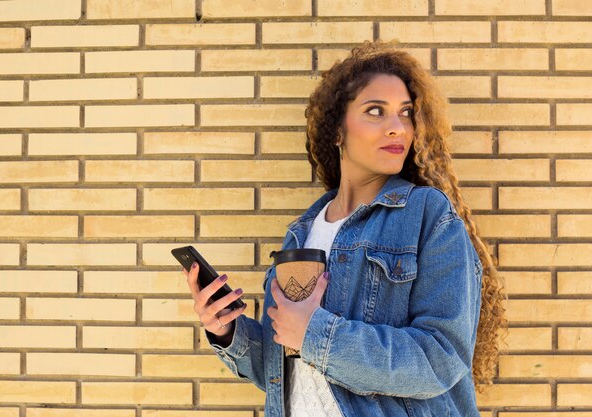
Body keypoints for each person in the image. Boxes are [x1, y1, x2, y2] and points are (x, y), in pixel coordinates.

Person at [183, 40, 507, 417]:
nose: (396, 128)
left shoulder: (428, 215)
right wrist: (227, 329)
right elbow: (287, 372)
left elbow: (440, 359)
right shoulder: (302, 232)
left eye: (405, 113)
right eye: (376, 111)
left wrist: (316, 334)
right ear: (338, 130)